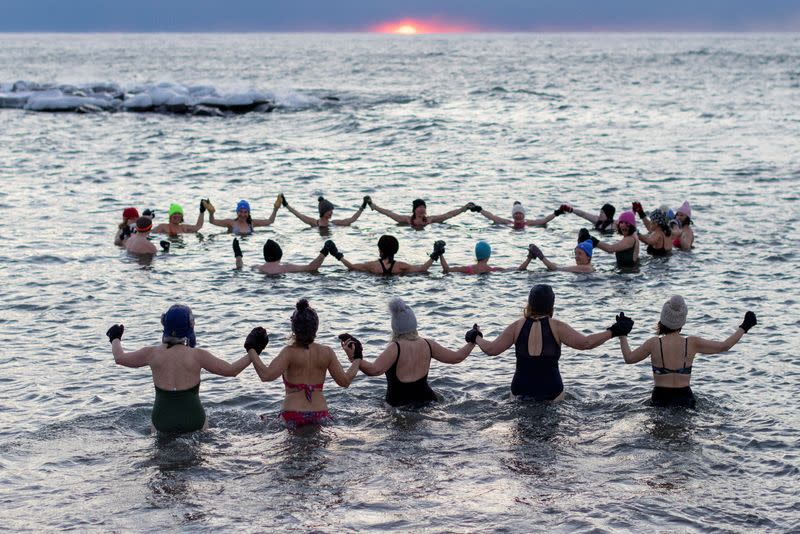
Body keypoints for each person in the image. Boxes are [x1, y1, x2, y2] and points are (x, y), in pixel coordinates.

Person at [106, 304, 253, 434]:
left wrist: (115, 338)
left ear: (165, 325)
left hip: (162, 420)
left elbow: (120, 358)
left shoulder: (151, 353)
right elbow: (232, 370)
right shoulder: (198, 355)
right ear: (190, 326)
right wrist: (253, 351)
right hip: (194, 419)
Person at [472, 284, 632, 401]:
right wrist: (614, 331)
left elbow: (491, 349)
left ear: (530, 303)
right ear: (551, 305)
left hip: (520, 390)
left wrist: (476, 337)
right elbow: (586, 343)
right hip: (551, 391)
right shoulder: (557, 326)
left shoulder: (517, 326)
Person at [616, 295, 757, 408]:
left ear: (662, 319)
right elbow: (724, 346)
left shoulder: (654, 343)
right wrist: (744, 327)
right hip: (685, 398)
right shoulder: (692, 343)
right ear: (683, 320)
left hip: (660, 398)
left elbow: (629, 358)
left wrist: (622, 334)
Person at [340, 298, 476, 407]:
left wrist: (355, 358)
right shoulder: (428, 344)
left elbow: (374, 370)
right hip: (428, 400)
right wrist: (473, 340)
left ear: (394, 326)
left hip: (399, 404)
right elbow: (457, 357)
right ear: (414, 324)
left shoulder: (395, 347)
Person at [246, 299, 360, 427]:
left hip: (293, 415)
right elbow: (345, 382)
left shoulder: (289, 352)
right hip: (320, 414)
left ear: (294, 328)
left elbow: (266, 375)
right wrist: (357, 358)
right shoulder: (327, 352)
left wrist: (251, 348)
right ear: (316, 327)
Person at [329, 235, 445, 275]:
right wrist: (435, 254)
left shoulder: (373, 266)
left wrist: (337, 254)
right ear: (395, 249)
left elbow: (352, 267)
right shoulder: (400, 266)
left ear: (380, 250)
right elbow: (422, 269)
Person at [232, 237, 334, 274]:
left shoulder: (257, 268)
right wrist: (325, 251)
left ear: (265, 255)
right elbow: (312, 267)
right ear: (280, 254)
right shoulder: (286, 267)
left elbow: (240, 267)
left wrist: (238, 254)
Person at [368, 197, 478, 228]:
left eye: (423, 207)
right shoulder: (407, 220)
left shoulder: (430, 220)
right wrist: (375, 207)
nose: (421, 209)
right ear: (414, 210)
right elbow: (390, 214)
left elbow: (448, 215)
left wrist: (464, 208)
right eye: (419, 207)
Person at [280, 194, 369, 227]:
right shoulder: (315, 223)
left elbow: (352, 219)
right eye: (329, 211)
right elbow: (299, 215)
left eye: (332, 210)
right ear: (323, 212)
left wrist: (363, 206)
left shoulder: (334, 223)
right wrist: (286, 204)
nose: (331, 213)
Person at [440, 240, 527, 274]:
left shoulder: (467, 269)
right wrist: (529, 258)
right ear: (488, 255)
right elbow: (519, 269)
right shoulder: (493, 270)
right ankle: (530, 256)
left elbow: (447, 269)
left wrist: (440, 254)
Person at [206, 197, 280, 235]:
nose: (243, 215)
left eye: (245, 212)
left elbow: (270, 221)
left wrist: (275, 209)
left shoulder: (252, 223)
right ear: (237, 212)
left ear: (248, 213)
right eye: (240, 212)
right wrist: (211, 213)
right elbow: (212, 221)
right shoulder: (231, 223)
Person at [476, 201, 566, 230]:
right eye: (516, 214)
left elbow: (544, 220)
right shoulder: (508, 223)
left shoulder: (529, 223)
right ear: (513, 215)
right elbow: (491, 216)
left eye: (520, 214)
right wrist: (479, 209)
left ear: (523, 215)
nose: (518, 215)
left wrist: (556, 213)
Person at [523, 241, 595, 273]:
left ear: (588, 256)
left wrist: (541, 256)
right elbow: (558, 267)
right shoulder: (586, 268)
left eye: (580, 254)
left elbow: (557, 269)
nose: (576, 256)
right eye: (575, 253)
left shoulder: (586, 268)